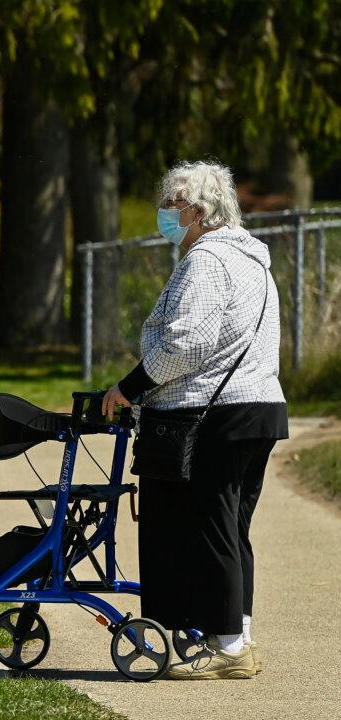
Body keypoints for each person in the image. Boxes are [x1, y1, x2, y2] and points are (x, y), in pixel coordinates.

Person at [101, 160, 287, 680]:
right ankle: (238, 638)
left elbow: (186, 343)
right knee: (231, 528)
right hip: (259, 408)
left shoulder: (207, 260)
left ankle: (227, 647)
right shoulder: (253, 261)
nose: (164, 214)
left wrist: (129, 388)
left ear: (200, 212)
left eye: (172, 205)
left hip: (214, 412)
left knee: (211, 525)